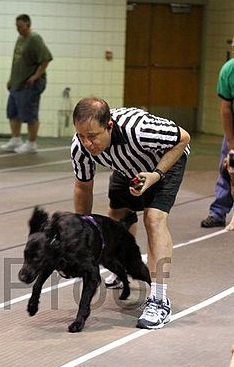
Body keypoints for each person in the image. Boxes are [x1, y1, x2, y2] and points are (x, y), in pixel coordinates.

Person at [71, 98, 190, 330]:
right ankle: (122, 266)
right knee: (116, 214)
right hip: (126, 166)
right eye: (82, 136)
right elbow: (83, 187)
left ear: (109, 126)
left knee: (153, 218)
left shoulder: (140, 128)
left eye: (93, 136)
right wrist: (81, 230)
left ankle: (159, 300)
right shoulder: (81, 147)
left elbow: (183, 138)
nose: (87, 143)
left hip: (165, 160)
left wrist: (156, 174)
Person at [1, 14, 53, 154]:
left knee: (30, 115)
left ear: (28, 25)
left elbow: (46, 59)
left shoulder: (34, 39)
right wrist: (11, 78)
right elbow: (17, 61)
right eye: (16, 26)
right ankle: (16, 139)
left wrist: (36, 76)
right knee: (13, 113)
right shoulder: (20, 39)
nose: (18, 29)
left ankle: (31, 143)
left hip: (29, 84)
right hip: (16, 83)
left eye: (20, 26)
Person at [201, 55, 234, 228]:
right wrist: (231, 142)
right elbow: (226, 108)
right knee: (227, 168)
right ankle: (218, 212)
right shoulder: (229, 70)